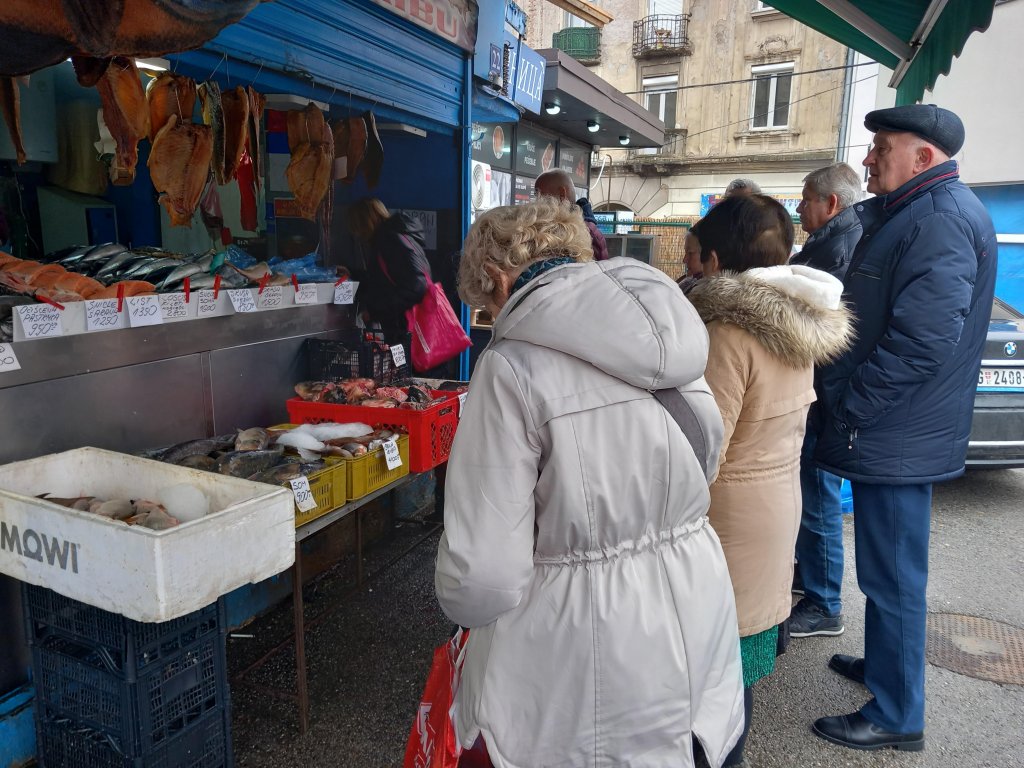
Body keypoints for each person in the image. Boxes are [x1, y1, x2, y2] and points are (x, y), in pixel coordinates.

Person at [435, 198, 745, 767]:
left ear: (498, 278)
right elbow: (704, 456)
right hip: (697, 601)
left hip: (577, 640)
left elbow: (482, 577)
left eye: (486, 303)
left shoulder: (511, 367)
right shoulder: (671, 329)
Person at [812, 105, 997, 752]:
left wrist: (850, 404)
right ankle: (887, 669)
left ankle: (896, 714)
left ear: (922, 157)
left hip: (895, 430)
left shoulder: (939, 218)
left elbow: (922, 343)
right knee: (885, 571)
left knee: (893, 576)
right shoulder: (919, 211)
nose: (868, 159)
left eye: (882, 147)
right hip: (894, 428)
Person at [687, 194, 852, 766]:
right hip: (774, 507)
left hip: (727, 520)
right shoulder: (792, 323)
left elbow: (701, 449)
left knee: (707, 679)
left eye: (696, 257)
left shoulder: (727, 334)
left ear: (714, 261)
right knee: (738, 674)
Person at [787, 162, 864, 638]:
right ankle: (812, 578)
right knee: (812, 496)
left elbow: (817, 327)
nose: (799, 207)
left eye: (806, 198)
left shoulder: (839, 248)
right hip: (822, 393)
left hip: (826, 397)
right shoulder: (833, 241)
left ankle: (825, 603)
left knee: (818, 499)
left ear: (830, 203)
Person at [345, 197, 431, 344]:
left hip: (406, 329)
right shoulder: (396, 237)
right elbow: (385, 280)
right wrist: (352, 274)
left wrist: (375, 311)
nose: (358, 235)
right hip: (404, 327)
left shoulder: (390, 241)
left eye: (358, 228)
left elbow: (415, 286)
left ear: (366, 223)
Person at [535, 169, 609, 260]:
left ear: (562, 194)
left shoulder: (588, 234)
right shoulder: (590, 231)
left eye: (540, 195)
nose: (537, 202)